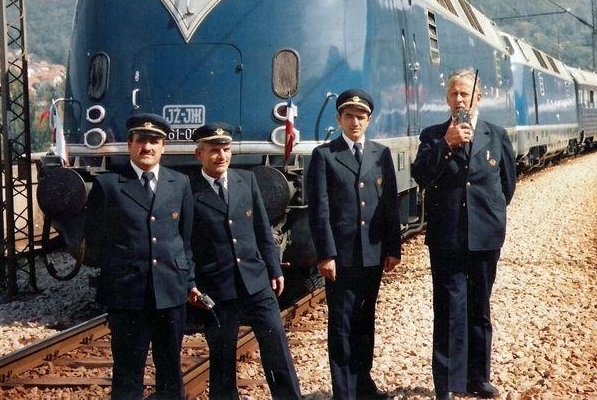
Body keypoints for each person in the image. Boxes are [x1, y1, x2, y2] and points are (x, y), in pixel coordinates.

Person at [411, 69, 517, 400]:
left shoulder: (496, 135)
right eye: (454, 94)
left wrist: (488, 217)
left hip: (485, 236)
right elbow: (422, 176)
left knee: (479, 307)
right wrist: (446, 144)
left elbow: (507, 186)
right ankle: (447, 383)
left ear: (478, 98)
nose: (460, 99)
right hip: (447, 237)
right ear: (447, 99)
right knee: (448, 308)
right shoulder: (432, 135)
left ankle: (478, 377)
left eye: (466, 94)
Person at [84, 113, 195, 399]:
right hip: (128, 296)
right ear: (129, 145)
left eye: (154, 141)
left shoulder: (179, 183)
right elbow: (95, 242)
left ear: (163, 147)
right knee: (127, 374)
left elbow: (185, 238)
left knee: (170, 371)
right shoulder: (109, 185)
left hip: (170, 295)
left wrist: (186, 280)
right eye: (141, 141)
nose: (147, 147)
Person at [187, 123, 301, 400]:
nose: (221, 156)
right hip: (216, 286)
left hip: (256, 281)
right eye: (214, 151)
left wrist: (274, 269)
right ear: (198, 154)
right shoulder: (187, 190)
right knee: (222, 355)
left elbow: (263, 230)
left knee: (276, 346)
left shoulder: (245, 181)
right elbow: (184, 243)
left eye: (226, 150)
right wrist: (190, 283)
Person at [306, 89, 401, 400]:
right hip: (342, 256)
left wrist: (392, 248)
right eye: (349, 116)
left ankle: (363, 383)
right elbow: (319, 210)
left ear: (369, 120)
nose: (355, 121)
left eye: (361, 117)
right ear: (339, 119)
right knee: (342, 323)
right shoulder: (325, 155)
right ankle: (344, 390)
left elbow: (389, 205)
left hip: (372, 254)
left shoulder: (380, 153)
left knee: (365, 320)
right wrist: (326, 254)